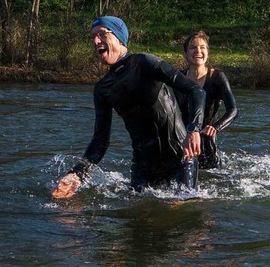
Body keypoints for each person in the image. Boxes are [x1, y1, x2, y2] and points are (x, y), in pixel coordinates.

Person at [51, 16, 206, 198]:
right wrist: (76, 174)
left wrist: (194, 129)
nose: (95, 41)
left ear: (119, 37)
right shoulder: (103, 88)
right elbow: (100, 141)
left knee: (182, 211)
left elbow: (196, 91)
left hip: (180, 157)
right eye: (92, 37)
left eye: (102, 34)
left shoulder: (146, 63)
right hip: (143, 168)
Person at [178, 30, 238, 169]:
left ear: (207, 52)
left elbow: (233, 109)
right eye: (193, 47)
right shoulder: (178, 78)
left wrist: (216, 127)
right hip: (182, 142)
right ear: (186, 53)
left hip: (207, 143)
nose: (198, 51)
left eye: (202, 47)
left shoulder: (217, 77)